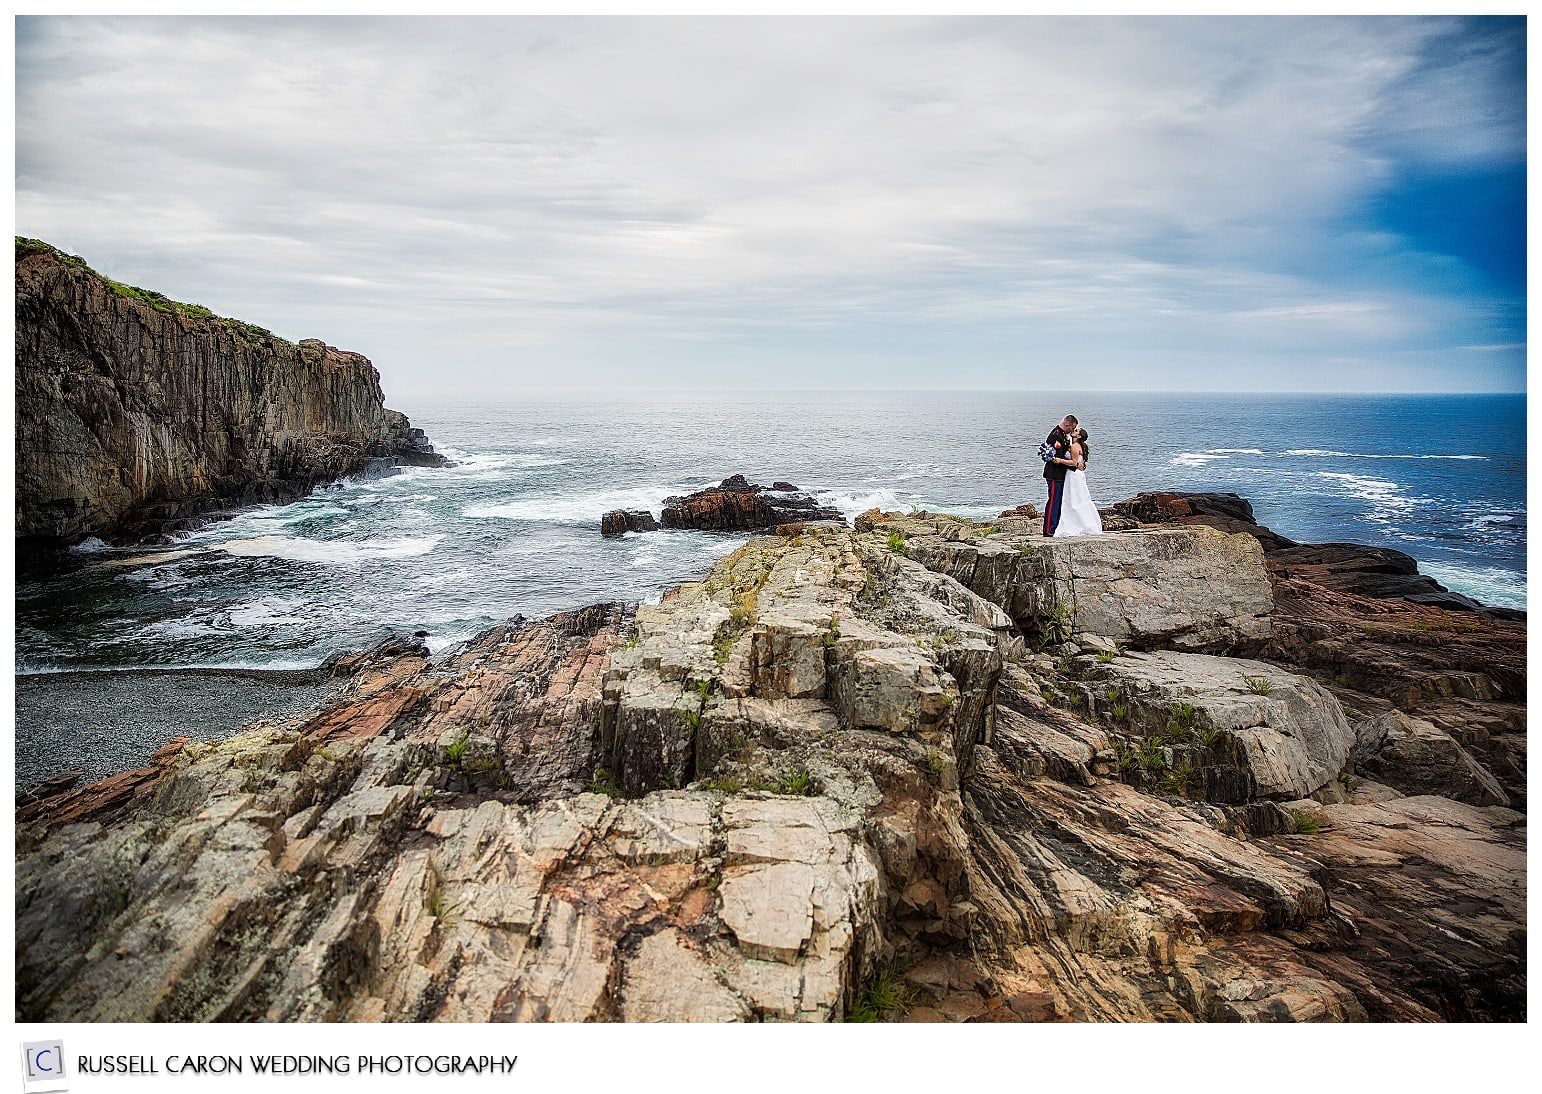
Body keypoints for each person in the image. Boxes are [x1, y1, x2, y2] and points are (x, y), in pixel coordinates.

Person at [1054, 427, 1103, 537]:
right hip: (1077, 474)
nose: (1073, 431)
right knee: (1079, 497)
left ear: (1079, 436)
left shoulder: (1075, 446)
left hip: (1073, 475)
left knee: (1075, 498)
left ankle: (1077, 524)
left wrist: (1059, 460)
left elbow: (1074, 462)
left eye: (1076, 431)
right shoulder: (1078, 446)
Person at [1040, 414, 1082, 536]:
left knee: (1059, 501)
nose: (1072, 431)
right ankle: (1049, 530)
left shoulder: (1063, 435)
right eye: (1072, 428)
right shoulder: (1056, 436)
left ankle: (1055, 527)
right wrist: (1074, 464)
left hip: (1060, 474)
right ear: (1067, 424)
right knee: (1054, 501)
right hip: (1054, 474)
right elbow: (1058, 457)